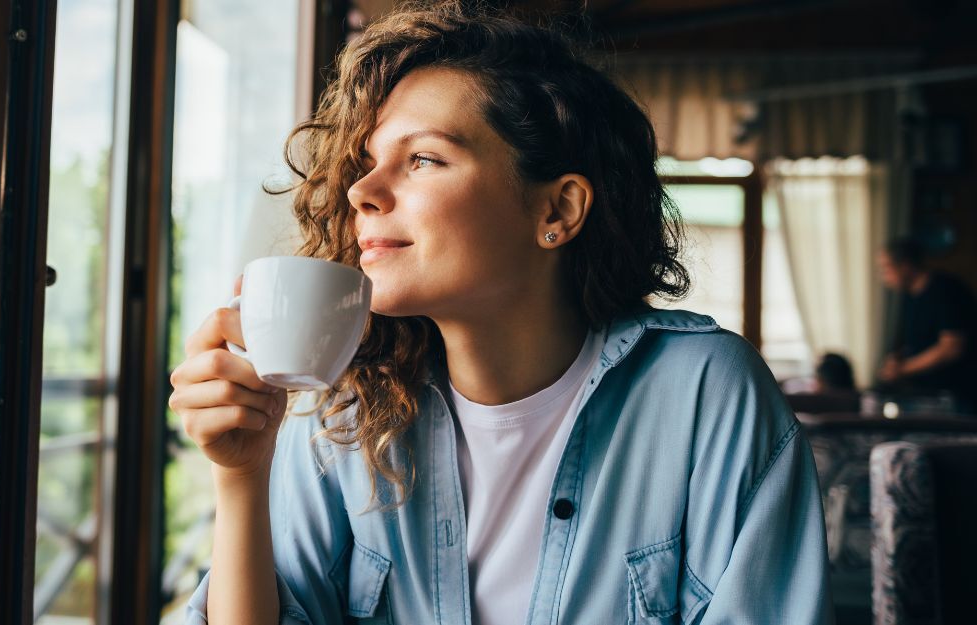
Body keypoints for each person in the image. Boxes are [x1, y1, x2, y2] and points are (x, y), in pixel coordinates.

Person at [168, 3, 834, 624]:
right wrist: (241, 476)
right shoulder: (348, 410)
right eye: (369, 164)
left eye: (423, 158)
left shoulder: (705, 393)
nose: (362, 191)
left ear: (557, 210)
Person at [877, 236, 977, 413]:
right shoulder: (909, 296)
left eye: (886, 268)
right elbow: (917, 341)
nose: (884, 276)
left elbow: (951, 348)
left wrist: (903, 369)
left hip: (957, 397)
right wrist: (896, 359)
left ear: (905, 265)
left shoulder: (946, 290)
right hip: (927, 394)